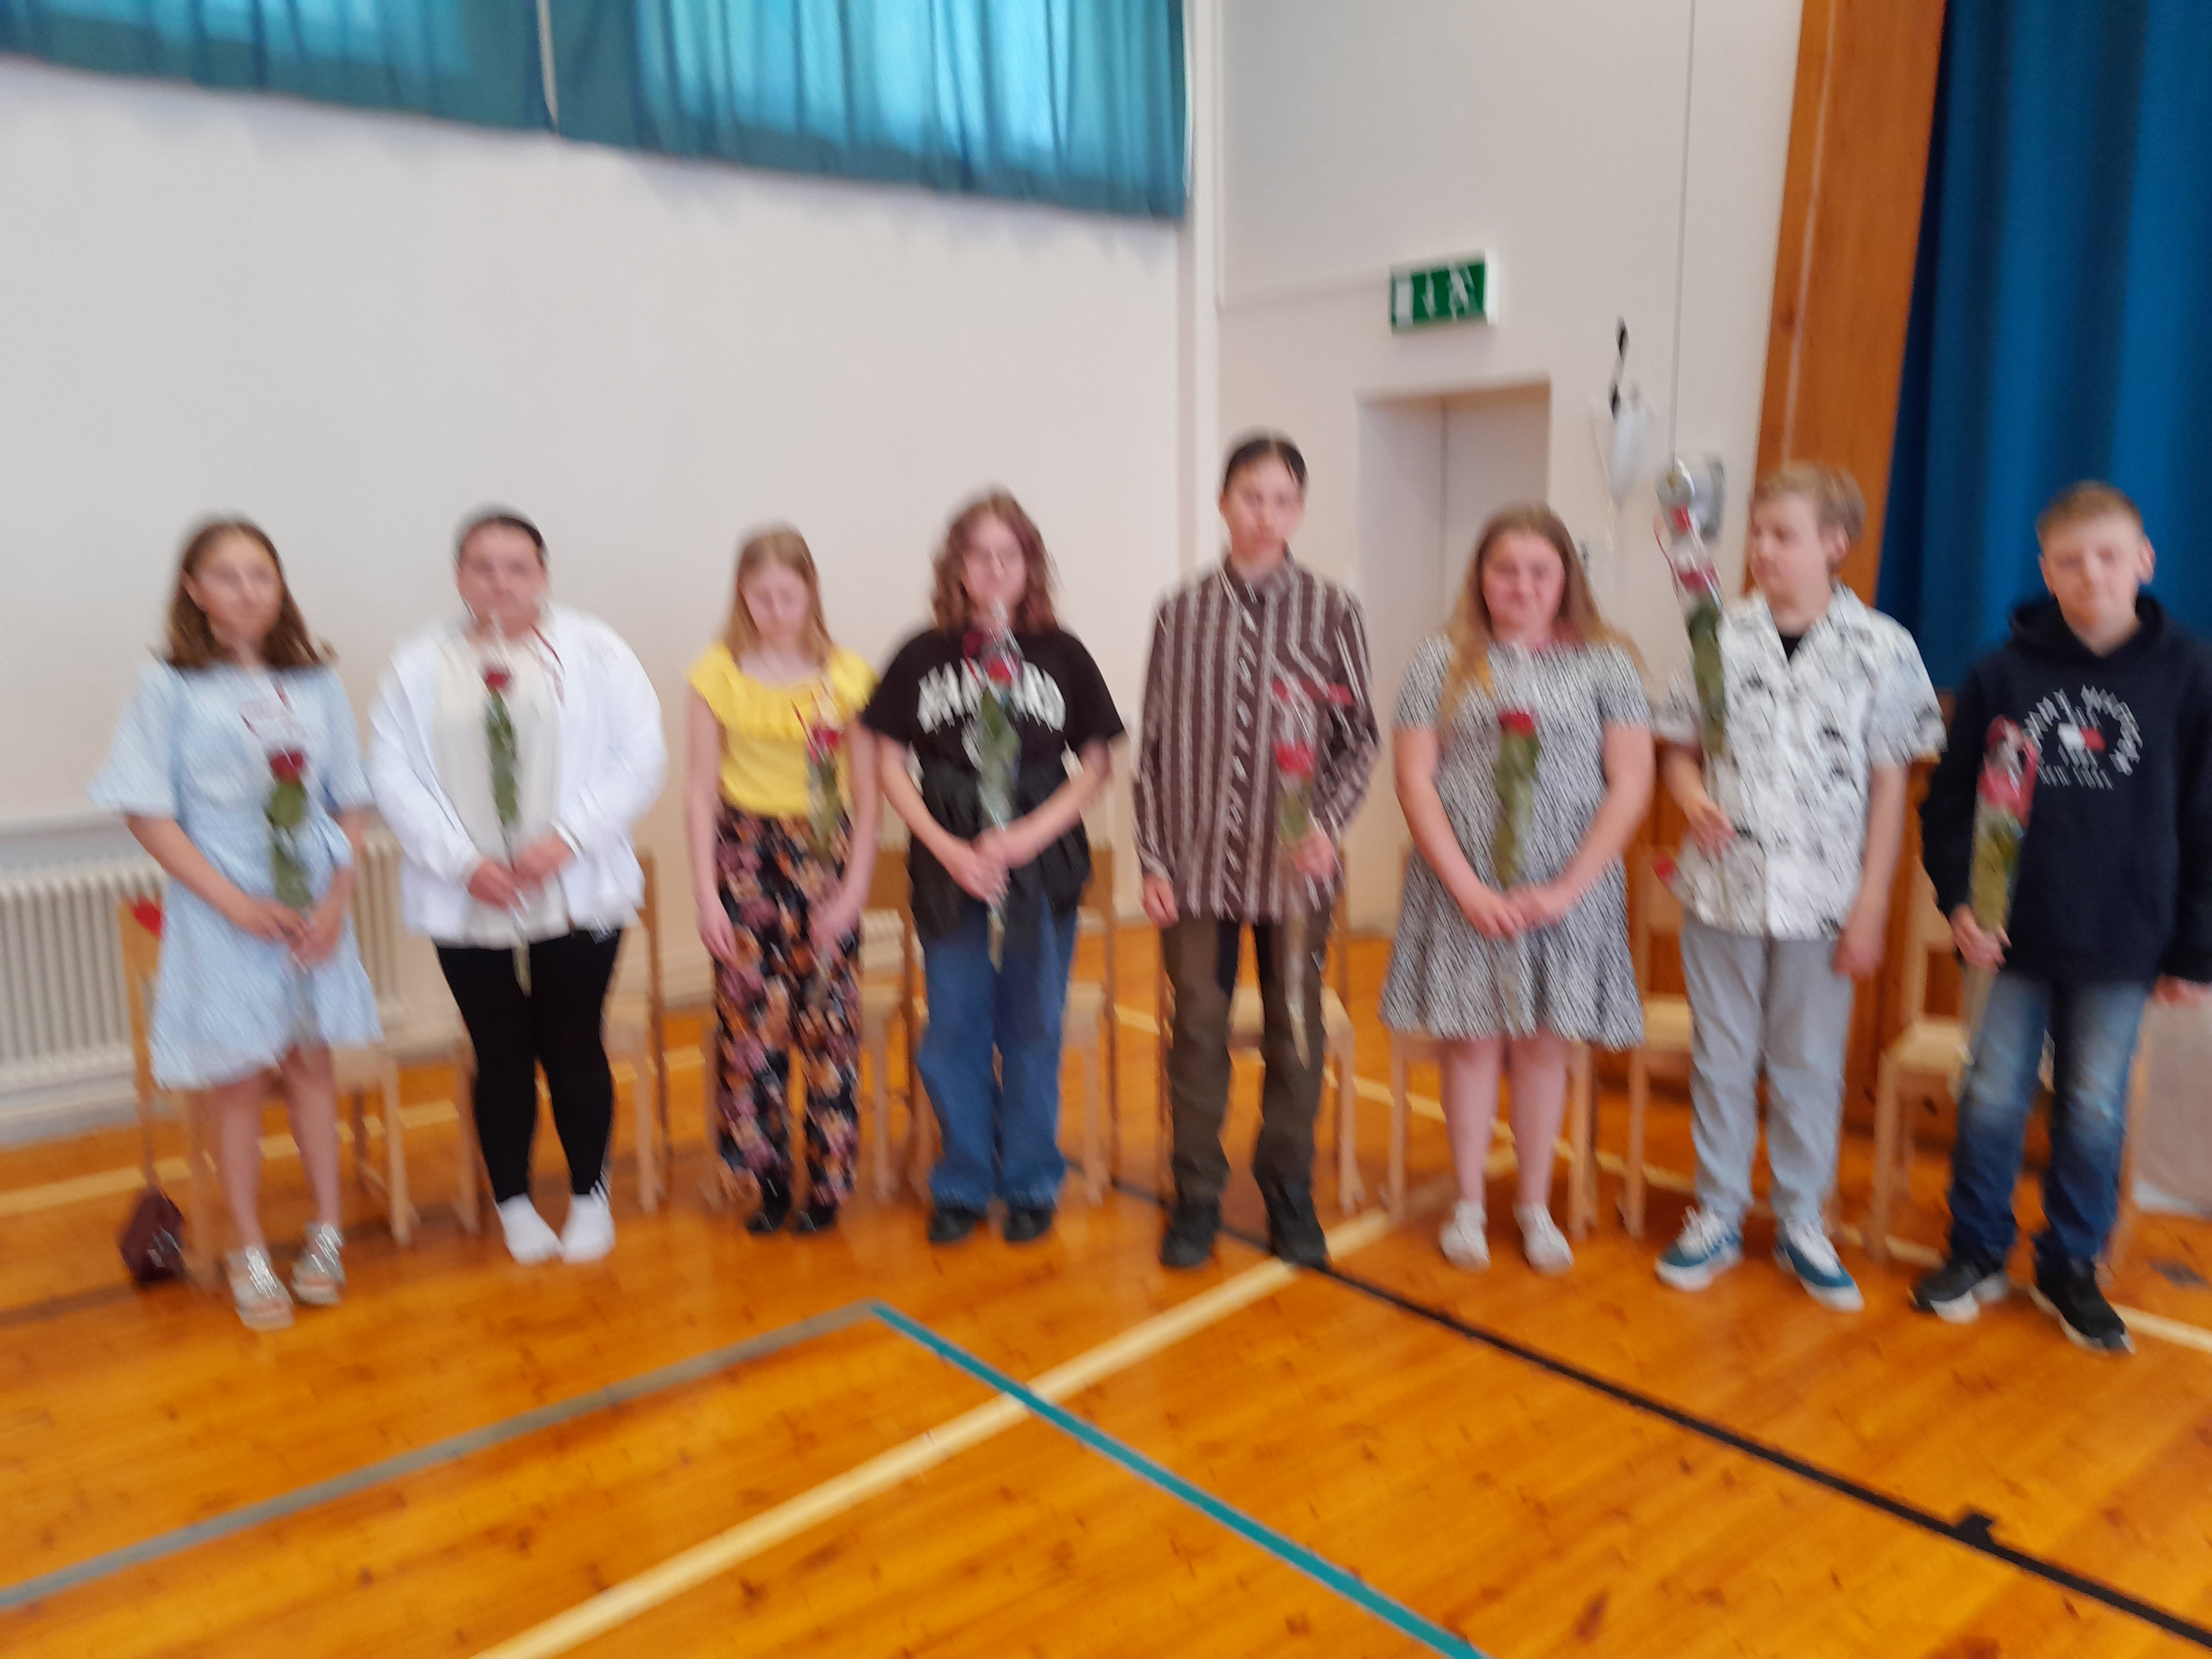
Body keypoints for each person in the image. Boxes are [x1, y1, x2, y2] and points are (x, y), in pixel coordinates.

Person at [1912, 482, 2212, 1354]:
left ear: (2144, 560)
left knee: (2092, 1107)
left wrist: (2196, 949)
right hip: (2008, 937)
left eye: (2110, 557)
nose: (2092, 576)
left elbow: (2205, 818)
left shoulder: (2190, 674)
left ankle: (2070, 1265)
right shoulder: (2000, 673)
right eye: (2071, 562)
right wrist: (1960, 902)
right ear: (2046, 571)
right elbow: (1951, 808)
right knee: (1991, 1095)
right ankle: (1977, 1249)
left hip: (2125, 942)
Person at [1653, 463, 1941, 1310]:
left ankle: (1801, 1220)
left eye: (1783, 535)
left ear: (1834, 543)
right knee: (1722, 1058)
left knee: (1809, 1064)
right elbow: (1679, 749)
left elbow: (1891, 785)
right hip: (1724, 892)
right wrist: (1691, 797)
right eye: (1758, 533)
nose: (1763, 549)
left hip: (1825, 900)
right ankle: (1716, 1211)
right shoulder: (1716, 635)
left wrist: (1872, 904)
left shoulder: (1882, 647)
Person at [91, 520, 383, 1330]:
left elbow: (351, 797)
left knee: (312, 1065)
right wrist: (234, 904)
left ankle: (327, 1233)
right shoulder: (170, 686)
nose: (249, 591)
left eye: (262, 574)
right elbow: (147, 811)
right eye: (228, 576)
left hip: (312, 904)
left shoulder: (313, 679)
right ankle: (250, 1248)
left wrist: (337, 900)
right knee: (240, 1080)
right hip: (225, 905)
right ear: (194, 590)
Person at [369, 511, 664, 1267]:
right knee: (499, 1049)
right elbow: (393, 774)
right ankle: (514, 1202)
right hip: (469, 891)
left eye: (517, 566)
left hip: (576, 882)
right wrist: (461, 861)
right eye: (483, 566)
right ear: (459, 575)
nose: (500, 581)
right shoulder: (419, 663)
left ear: (543, 574)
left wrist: (568, 838)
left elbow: (641, 757)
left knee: (574, 1041)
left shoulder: (595, 650)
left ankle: (590, 1195)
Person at [1382, 506, 1652, 1274]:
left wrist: (1566, 890)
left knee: (1543, 1047)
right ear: (1481, 575)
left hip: (1568, 894)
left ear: (1566, 578)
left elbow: (1631, 783)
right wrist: (1467, 887)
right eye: (1506, 569)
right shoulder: (1439, 660)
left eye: (1540, 571)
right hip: (1462, 890)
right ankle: (1468, 1206)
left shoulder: (1609, 662)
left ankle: (1535, 1207)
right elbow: (1415, 780)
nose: (1522, 586)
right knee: (1471, 1044)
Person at [1135, 433, 1380, 1271]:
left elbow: (1360, 739)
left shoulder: (1333, 611)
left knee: (1296, 1030)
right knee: (1197, 1028)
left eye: (1282, 500)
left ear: (1299, 510)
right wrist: (1154, 860)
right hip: (1198, 868)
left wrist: (1329, 825)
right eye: (1251, 497)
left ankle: (1287, 1186)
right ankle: (1197, 1192)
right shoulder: (1179, 613)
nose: (1265, 515)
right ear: (1223, 502)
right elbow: (1153, 748)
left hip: (1294, 871)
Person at [861, 491, 1121, 1246]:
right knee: (956, 1026)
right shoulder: (921, 654)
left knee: (1034, 1024)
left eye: (1010, 555)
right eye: (979, 556)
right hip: (951, 867)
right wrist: (949, 848)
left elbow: (1097, 765)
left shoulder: (1062, 653)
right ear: (957, 567)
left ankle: (1033, 1178)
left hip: (1040, 864)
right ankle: (965, 1179)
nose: (995, 569)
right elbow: (887, 764)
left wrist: (1028, 838)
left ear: (1030, 565)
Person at [685, 526, 878, 1234]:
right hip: (745, 857)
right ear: (742, 596)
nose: (774, 610)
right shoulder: (717, 674)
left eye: (787, 596)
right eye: (760, 597)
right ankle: (766, 1178)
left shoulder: (847, 677)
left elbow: (870, 798)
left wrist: (853, 892)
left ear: (810, 593)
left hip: (824, 853)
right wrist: (707, 895)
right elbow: (700, 792)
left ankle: (826, 1182)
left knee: (828, 1022)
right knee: (750, 1025)